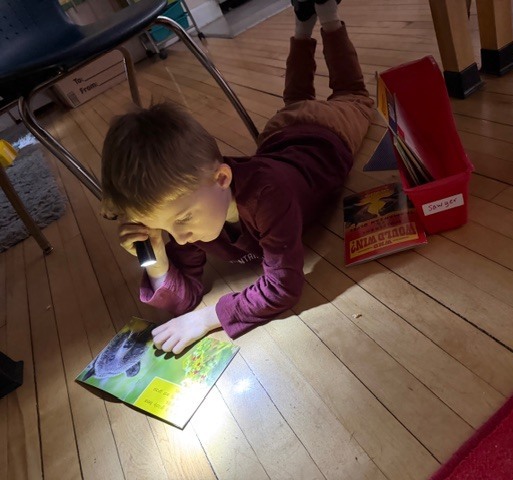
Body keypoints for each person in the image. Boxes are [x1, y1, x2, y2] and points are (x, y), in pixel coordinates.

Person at [101, 0, 374, 355]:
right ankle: (303, 24)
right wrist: (157, 262)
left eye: (182, 221)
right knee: (295, 97)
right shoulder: (189, 204)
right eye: (166, 228)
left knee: (353, 94)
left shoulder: (266, 196)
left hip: (325, 136)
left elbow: (283, 287)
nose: (180, 238)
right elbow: (185, 296)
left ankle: (327, 16)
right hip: (277, 137)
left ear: (222, 178)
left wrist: (207, 318)